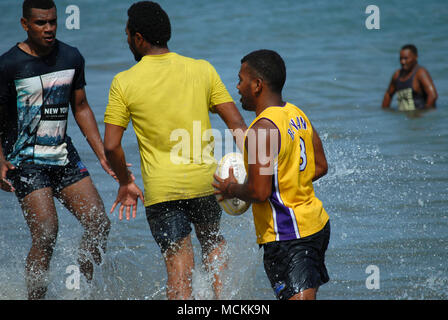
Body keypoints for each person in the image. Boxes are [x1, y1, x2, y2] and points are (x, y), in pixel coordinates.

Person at [103, 1, 247, 300]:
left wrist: (125, 182)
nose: (127, 39)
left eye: (128, 34)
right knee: (212, 245)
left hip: (164, 190)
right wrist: (256, 170)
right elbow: (236, 123)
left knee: (179, 267)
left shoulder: (123, 82)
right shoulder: (202, 69)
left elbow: (111, 145)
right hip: (207, 182)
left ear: (139, 38)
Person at [0, 0, 112, 299]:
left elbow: (82, 106)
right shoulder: (8, 64)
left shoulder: (71, 56)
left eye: (52, 22)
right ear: (25, 25)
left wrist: (102, 153)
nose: (48, 28)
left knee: (98, 223)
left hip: (63, 156)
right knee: (47, 233)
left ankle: (83, 292)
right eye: (40, 23)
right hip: (25, 161)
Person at [213, 49, 330, 300]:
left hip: (288, 234)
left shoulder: (261, 129)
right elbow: (320, 166)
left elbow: (259, 191)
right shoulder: (297, 114)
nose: (237, 86)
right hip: (316, 225)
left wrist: (230, 188)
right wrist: (288, 182)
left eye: (241, 79)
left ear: (257, 85)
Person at [382, 44, 438, 111]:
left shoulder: (420, 73)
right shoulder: (397, 75)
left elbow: (433, 95)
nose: (402, 62)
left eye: (406, 58)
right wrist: (384, 113)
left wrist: (424, 113)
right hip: (403, 117)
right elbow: (388, 95)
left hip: (418, 117)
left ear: (416, 57)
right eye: (401, 58)